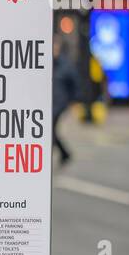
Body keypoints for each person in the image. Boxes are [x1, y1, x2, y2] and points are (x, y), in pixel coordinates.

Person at [51, 38, 78, 166]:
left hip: (59, 103)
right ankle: (64, 153)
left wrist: (72, 101)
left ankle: (61, 153)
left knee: (50, 130)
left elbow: (74, 84)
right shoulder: (46, 64)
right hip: (50, 103)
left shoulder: (65, 65)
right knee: (51, 130)